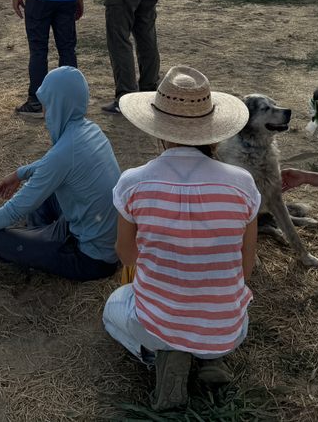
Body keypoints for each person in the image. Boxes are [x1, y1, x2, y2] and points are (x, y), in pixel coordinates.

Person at [105, 66, 259, 410]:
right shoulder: (243, 184)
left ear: (158, 130)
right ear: (214, 132)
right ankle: (210, 356)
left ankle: (164, 353)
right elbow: (246, 267)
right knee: (231, 311)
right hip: (226, 327)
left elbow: (127, 254)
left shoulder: (134, 182)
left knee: (113, 307)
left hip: (157, 321)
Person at [0, 66, 120, 281]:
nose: (44, 113)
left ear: (57, 106)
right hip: (105, 238)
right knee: (44, 192)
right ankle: (41, 237)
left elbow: (12, 211)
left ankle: (42, 242)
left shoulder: (64, 153)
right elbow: (51, 165)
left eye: (47, 105)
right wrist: (19, 174)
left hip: (92, 259)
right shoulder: (91, 130)